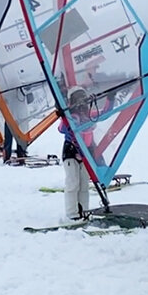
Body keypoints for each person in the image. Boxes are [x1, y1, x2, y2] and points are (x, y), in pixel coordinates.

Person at [60, 87, 92, 220]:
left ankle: (84, 211)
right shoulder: (70, 116)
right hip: (71, 152)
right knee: (73, 184)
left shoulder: (89, 115)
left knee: (84, 184)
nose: (81, 103)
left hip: (86, 152)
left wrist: (110, 98)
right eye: (78, 99)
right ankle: (72, 214)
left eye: (83, 98)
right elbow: (62, 128)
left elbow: (105, 112)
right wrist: (64, 114)